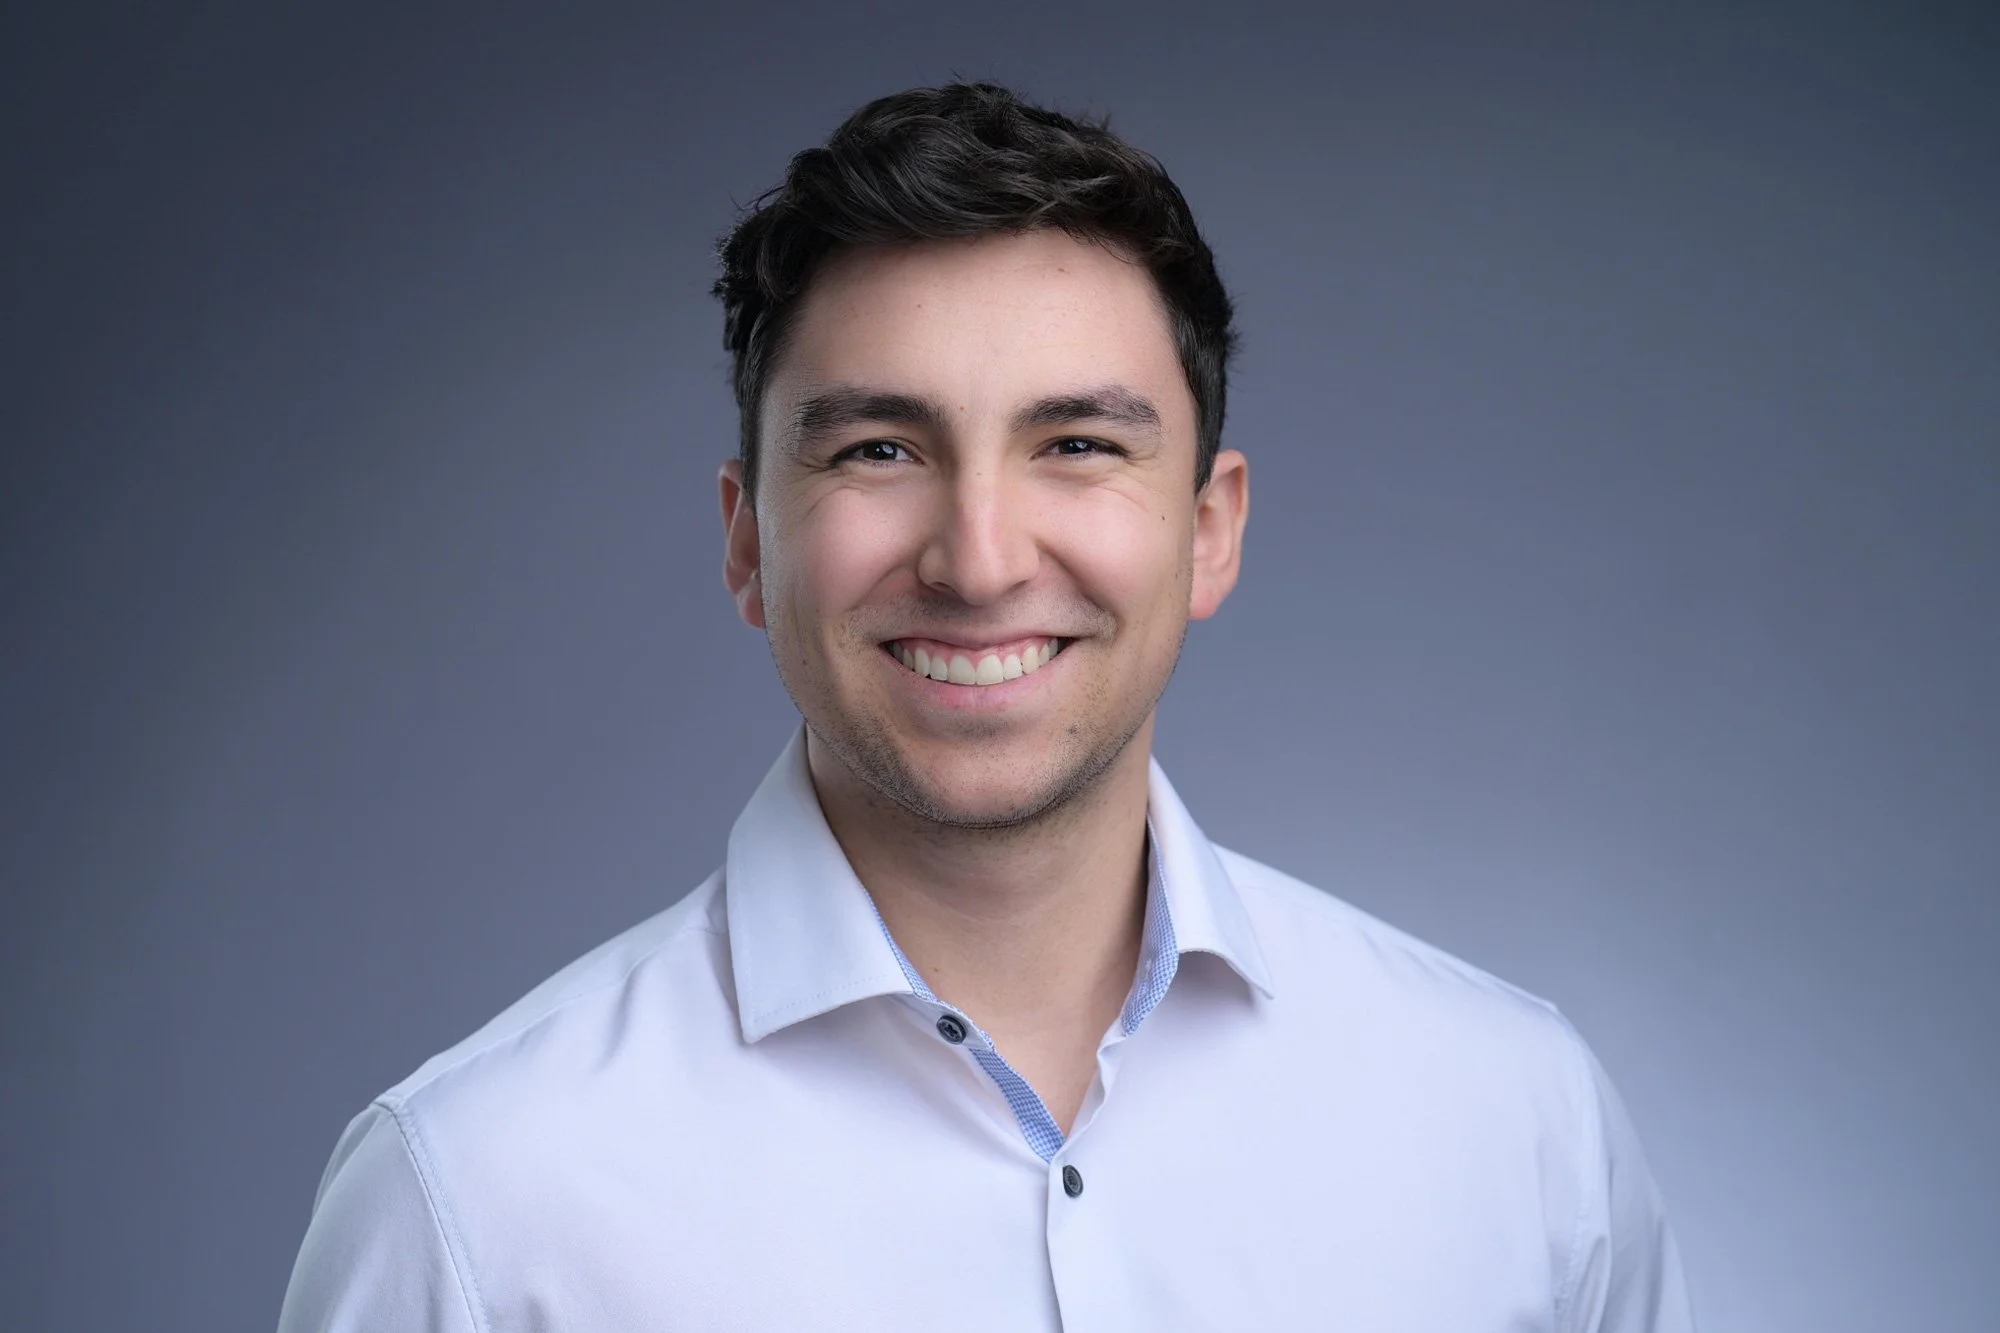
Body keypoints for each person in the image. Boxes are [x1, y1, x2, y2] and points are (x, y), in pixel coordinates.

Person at [277, 81, 1695, 1331]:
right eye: (880, 448)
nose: (980, 558)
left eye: (1076, 444)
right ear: (747, 542)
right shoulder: (471, 1202)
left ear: (1210, 531)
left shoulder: (1518, 1129)